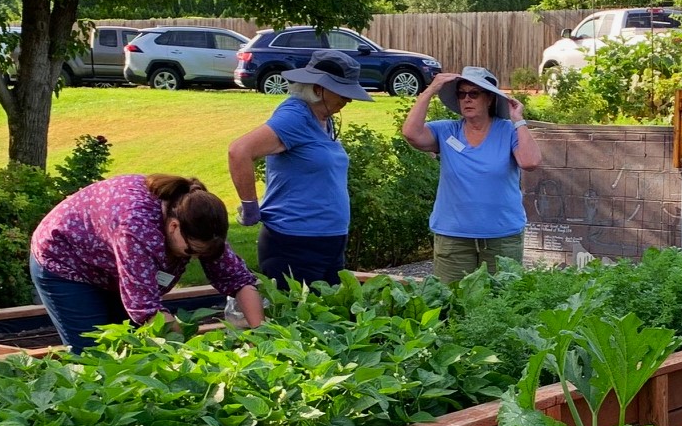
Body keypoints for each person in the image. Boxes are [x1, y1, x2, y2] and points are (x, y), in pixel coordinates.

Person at [30, 174, 264, 352]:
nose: (193, 258)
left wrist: (262, 336)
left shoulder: (200, 221)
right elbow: (146, 308)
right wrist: (194, 354)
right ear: (174, 226)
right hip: (65, 260)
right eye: (190, 251)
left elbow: (239, 280)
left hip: (109, 261)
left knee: (133, 348)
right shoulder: (138, 229)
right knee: (95, 353)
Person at [228, 50, 373, 287]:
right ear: (318, 89)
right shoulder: (295, 116)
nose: (349, 100)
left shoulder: (323, 117)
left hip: (328, 242)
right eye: (343, 93)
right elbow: (239, 151)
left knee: (334, 310)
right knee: (300, 311)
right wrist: (250, 207)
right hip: (295, 245)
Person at [402, 65, 542, 282]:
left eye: (474, 93)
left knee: (502, 298)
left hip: (502, 236)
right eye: (461, 94)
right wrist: (429, 91)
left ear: (489, 99)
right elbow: (411, 133)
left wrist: (518, 120)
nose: (466, 99)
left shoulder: (508, 130)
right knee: (452, 299)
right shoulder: (446, 130)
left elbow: (530, 161)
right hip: (454, 236)